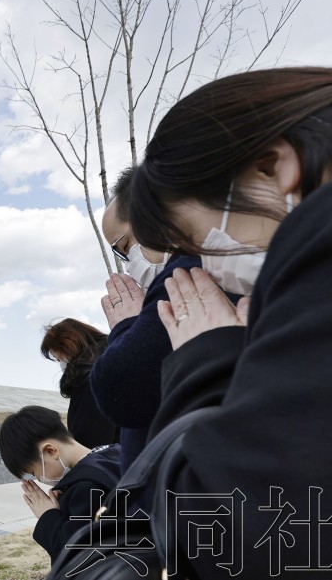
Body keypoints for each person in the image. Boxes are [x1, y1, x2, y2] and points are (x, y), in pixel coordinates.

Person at [127, 67, 332, 578]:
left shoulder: (331, 236)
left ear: (272, 167)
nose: (206, 263)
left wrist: (205, 359)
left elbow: (239, 534)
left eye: (195, 239)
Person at [89, 168, 235, 472]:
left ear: (151, 213)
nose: (129, 264)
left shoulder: (188, 274)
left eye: (125, 247)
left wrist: (126, 325)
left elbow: (122, 390)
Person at [0, 405, 121, 563]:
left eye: (34, 472)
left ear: (51, 451)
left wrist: (48, 516)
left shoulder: (86, 487)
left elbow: (75, 557)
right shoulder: (113, 455)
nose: (39, 479)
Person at [40, 318, 116, 448]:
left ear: (67, 346)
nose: (61, 364)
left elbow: (90, 438)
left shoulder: (86, 378)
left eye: (59, 359)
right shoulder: (114, 358)